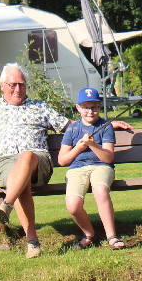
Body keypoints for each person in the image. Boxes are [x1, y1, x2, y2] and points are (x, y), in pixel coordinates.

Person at [0, 64, 131, 259]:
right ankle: (32, 241)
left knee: (26, 156)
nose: (18, 89)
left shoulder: (39, 107)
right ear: (2, 86)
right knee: (20, 177)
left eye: (22, 85)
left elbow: (72, 126)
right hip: (4, 164)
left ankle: (8, 205)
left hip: (38, 162)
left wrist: (106, 125)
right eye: (13, 85)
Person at [59, 87, 123, 250]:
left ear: (99, 107)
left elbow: (108, 157)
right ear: (78, 108)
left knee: (100, 190)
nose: (90, 111)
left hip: (101, 167)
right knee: (73, 205)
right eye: (86, 107)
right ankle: (89, 234)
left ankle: (112, 236)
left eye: (94, 107)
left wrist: (93, 145)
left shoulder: (106, 126)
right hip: (77, 169)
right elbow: (62, 160)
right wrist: (78, 148)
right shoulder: (72, 129)